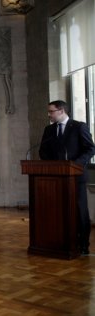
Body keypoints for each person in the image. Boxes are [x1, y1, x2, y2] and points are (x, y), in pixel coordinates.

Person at [39, 100, 95, 255]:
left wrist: (75, 164)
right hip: (55, 178)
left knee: (79, 210)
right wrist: (52, 166)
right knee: (58, 210)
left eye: (51, 111)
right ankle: (60, 241)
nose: (49, 114)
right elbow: (43, 151)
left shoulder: (78, 126)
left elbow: (90, 149)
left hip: (76, 176)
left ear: (61, 110)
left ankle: (83, 244)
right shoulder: (49, 130)